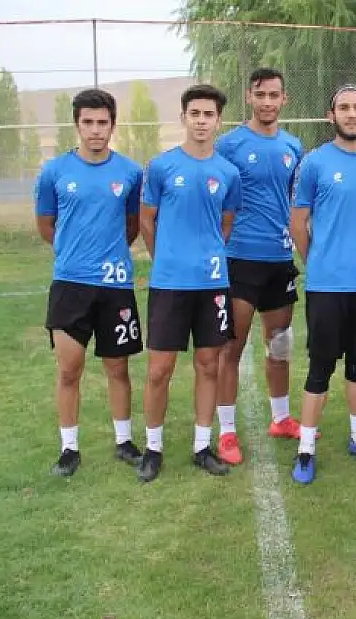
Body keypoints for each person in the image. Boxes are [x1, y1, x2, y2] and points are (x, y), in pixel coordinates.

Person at [288, 84, 356, 485]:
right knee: (320, 367)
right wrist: (318, 261)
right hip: (327, 286)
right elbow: (298, 223)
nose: (352, 114)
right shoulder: (314, 164)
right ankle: (306, 447)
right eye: (344, 108)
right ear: (330, 115)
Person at [34, 88, 145, 477]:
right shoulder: (54, 172)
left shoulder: (130, 172)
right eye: (88, 123)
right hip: (70, 284)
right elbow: (47, 226)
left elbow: (132, 225)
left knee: (118, 368)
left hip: (115, 284)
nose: (95, 130)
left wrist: (107, 255)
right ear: (77, 125)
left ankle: (124, 441)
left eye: (102, 123)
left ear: (113, 125)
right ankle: (69, 449)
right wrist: (75, 256)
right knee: (69, 369)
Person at [137, 84, 241, 482]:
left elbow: (225, 225)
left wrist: (205, 256)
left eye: (208, 114)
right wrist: (166, 259)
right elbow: (147, 220)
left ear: (218, 120)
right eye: (194, 113)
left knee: (208, 364)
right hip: (169, 283)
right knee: (159, 369)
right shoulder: (161, 167)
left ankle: (202, 446)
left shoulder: (228, 173)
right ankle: (153, 448)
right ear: (183, 118)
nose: (201, 121)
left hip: (212, 283)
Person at [214, 68, 305, 466]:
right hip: (240, 261)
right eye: (260, 94)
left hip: (280, 260)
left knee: (280, 347)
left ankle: (281, 418)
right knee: (230, 348)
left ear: (284, 99)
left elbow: (293, 201)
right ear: (248, 97)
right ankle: (228, 431)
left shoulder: (293, 145)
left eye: (274, 95)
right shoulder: (229, 144)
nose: (267, 102)